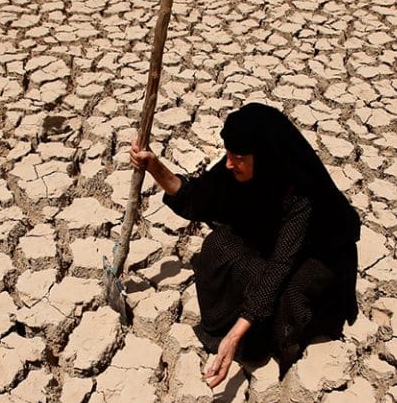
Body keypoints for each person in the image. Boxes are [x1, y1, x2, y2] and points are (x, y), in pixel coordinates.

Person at [130, 103, 360, 388]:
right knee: (219, 246)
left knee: (286, 296)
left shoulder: (301, 194)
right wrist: (154, 167)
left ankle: (281, 337)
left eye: (238, 157)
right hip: (274, 242)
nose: (228, 163)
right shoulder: (239, 168)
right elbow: (198, 198)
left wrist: (235, 334)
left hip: (318, 256)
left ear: (264, 157)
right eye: (228, 154)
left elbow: (280, 266)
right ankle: (245, 324)